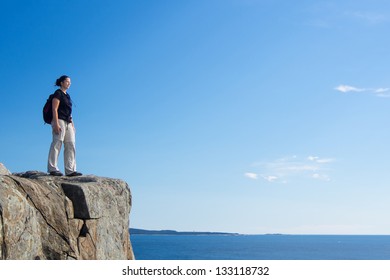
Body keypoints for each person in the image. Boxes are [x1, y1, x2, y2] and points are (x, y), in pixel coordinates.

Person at [47, 75, 82, 176]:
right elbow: (54, 109)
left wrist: (73, 125)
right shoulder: (58, 93)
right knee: (57, 143)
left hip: (68, 122)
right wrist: (56, 124)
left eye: (70, 82)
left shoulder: (67, 96)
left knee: (71, 145)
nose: (69, 83)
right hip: (59, 120)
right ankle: (52, 168)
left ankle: (70, 170)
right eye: (67, 81)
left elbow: (69, 112)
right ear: (61, 83)